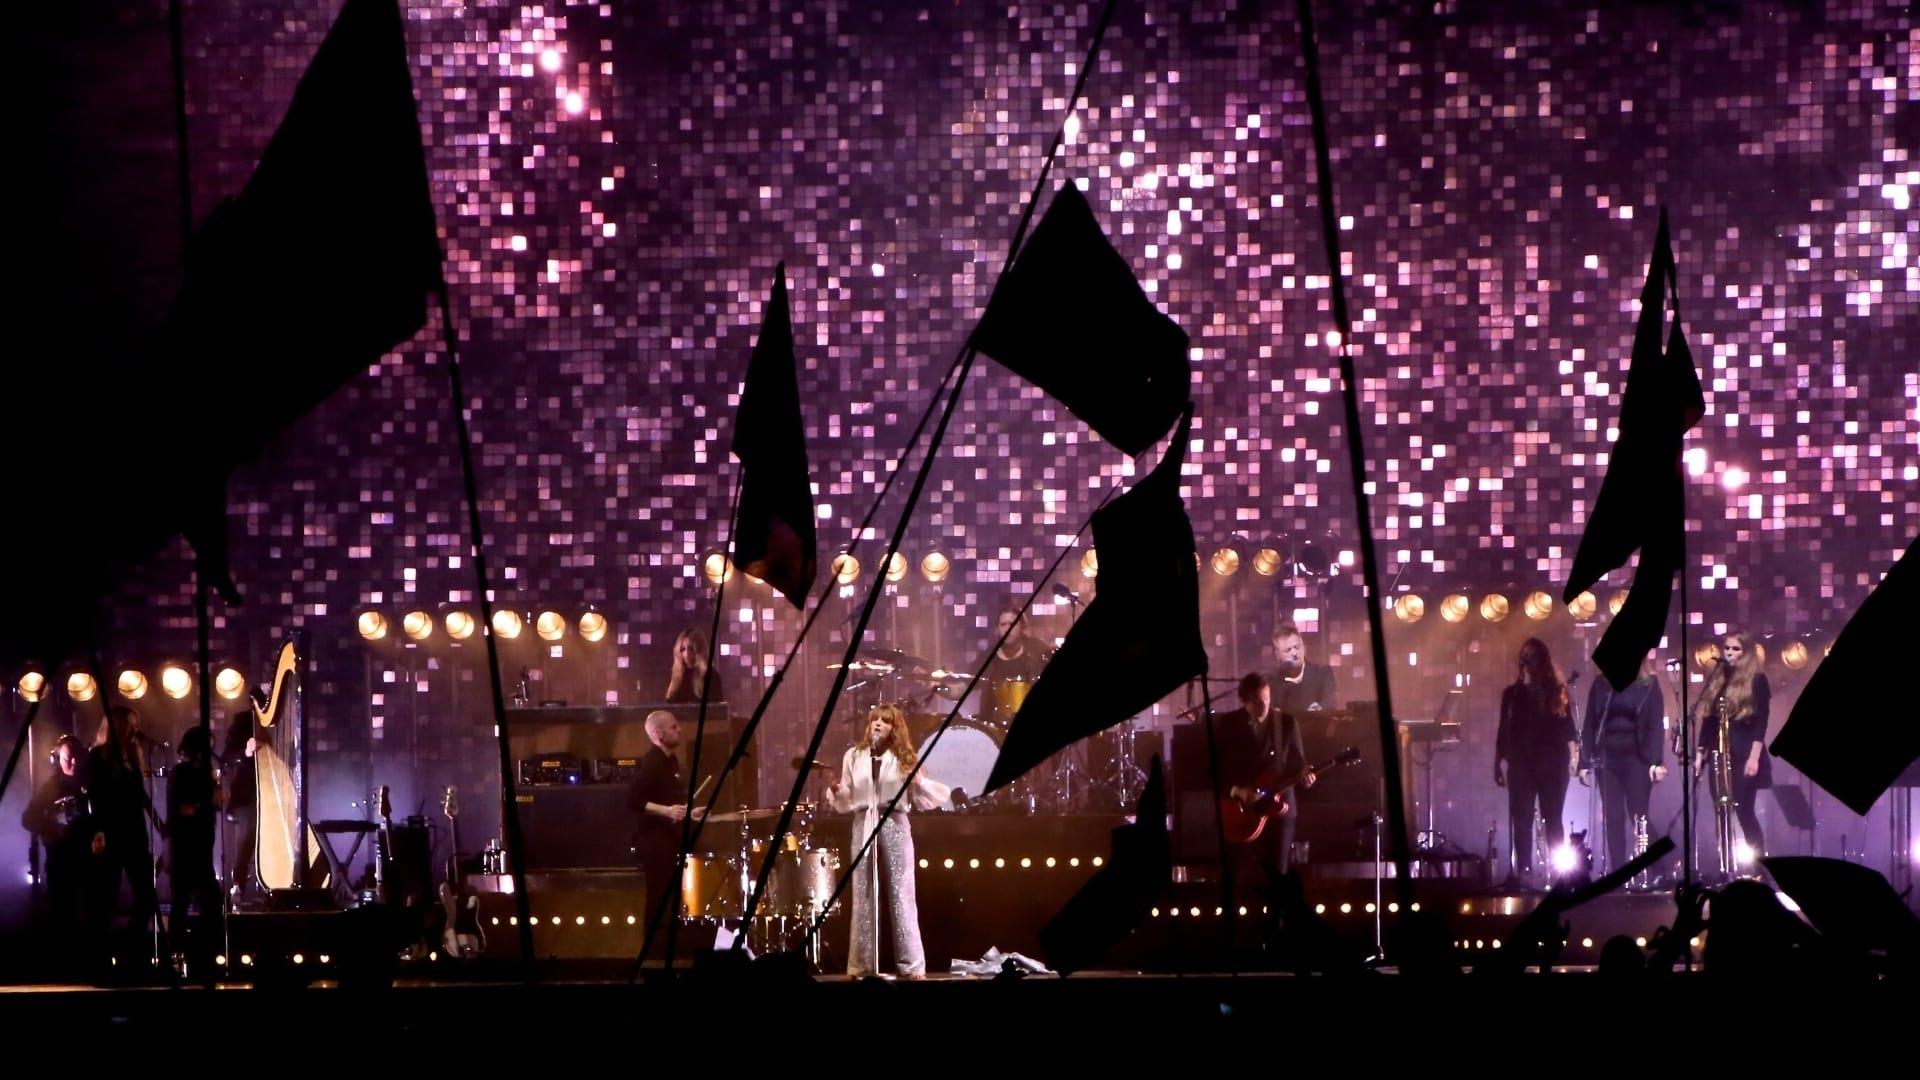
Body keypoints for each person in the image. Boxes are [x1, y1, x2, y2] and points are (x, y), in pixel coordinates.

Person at [826, 703, 951, 978]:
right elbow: (847, 796)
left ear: (895, 728)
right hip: (863, 821)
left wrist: (918, 781)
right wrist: (837, 790)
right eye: (874, 721)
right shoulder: (854, 756)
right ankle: (862, 965)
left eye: (884, 721)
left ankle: (912, 966)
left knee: (901, 893)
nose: (877, 725)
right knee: (862, 892)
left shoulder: (904, 756)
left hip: (894, 821)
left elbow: (922, 797)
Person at [1213, 674, 1317, 917]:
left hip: (1279, 810)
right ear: (1243, 701)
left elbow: (1298, 763)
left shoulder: (1286, 723)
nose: (1265, 707)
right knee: (1234, 874)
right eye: (1258, 702)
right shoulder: (1227, 725)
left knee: (1278, 876)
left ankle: (1275, 936)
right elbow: (1212, 770)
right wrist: (1237, 791)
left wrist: (1306, 774)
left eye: (1267, 700)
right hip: (1240, 811)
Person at [86, 706, 167, 970]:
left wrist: (159, 825)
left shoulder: (134, 754)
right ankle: (100, 960)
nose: (134, 728)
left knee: (146, 897)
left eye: (136, 723)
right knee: (106, 899)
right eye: (130, 723)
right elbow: (95, 796)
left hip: (135, 833)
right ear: (117, 726)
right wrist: (98, 831)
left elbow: (140, 796)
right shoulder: (98, 755)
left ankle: (130, 956)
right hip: (111, 831)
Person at [1494, 639, 1578, 886]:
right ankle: (1524, 870)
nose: (1526, 660)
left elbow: (1567, 726)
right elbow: (1503, 730)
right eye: (1524, 655)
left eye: (1531, 656)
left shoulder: (1556, 691)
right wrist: (1497, 762)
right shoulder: (1511, 695)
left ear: (1541, 659)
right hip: (1521, 763)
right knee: (1521, 819)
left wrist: (1575, 757)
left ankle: (1557, 872)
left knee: (1552, 818)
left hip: (1552, 763)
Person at [1578, 657, 1668, 874]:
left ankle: (1658, 870)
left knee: (1639, 815)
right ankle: (1619, 872)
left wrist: (1656, 761)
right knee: (1613, 818)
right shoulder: (1601, 685)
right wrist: (1584, 761)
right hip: (1607, 759)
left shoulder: (1649, 685)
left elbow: (1655, 727)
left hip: (1637, 759)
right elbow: (1590, 723)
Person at [1693, 630, 1772, 871]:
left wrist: (1754, 757)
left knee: (1743, 810)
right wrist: (1699, 754)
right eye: (1727, 648)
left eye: (1736, 649)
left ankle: (1760, 869)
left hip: (1745, 753)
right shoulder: (1718, 678)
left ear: (1746, 653)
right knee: (1721, 810)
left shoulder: (1757, 680)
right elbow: (1708, 720)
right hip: (1719, 754)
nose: (1730, 653)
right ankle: (1725, 867)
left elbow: (1762, 721)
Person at [629, 709, 704, 947]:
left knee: (673, 899)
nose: (679, 729)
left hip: (671, 840)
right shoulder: (652, 763)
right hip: (655, 842)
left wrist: (688, 813)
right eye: (673, 727)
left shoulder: (671, 762)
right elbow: (633, 800)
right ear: (659, 733)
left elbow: (672, 802)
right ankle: (653, 951)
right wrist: (667, 811)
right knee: (659, 898)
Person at [21, 734, 90, 934]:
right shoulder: (51, 786)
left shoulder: (91, 782)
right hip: (61, 863)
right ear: (58, 760)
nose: (74, 762)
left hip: (88, 863)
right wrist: (53, 829)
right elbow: (28, 818)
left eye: (76, 756)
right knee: (63, 918)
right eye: (68, 758)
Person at [167, 726, 224, 960]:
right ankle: (177, 953)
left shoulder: (206, 774)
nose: (209, 752)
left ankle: (207, 952)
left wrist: (217, 795)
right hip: (185, 844)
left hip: (203, 844)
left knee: (209, 901)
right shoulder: (181, 772)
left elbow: (214, 806)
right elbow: (183, 809)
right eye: (206, 747)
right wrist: (206, 802)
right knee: (182, 900)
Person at [1267, 622, 1336, 727]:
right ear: (1277, 655)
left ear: (1304, 647)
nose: (1294, 653)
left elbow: (1330, 703)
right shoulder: (1272, 682)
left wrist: (1317, 709)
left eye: (1297, 647)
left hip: (1317, 736)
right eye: (1288, 650)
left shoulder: (1323, 674)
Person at [663, 627, 726, 704]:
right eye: (683, 649)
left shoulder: (711, 676)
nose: (686, 654)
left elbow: (717, 709)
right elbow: (668, 706)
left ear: (699, 650)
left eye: (691, 649)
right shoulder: (675, 675)